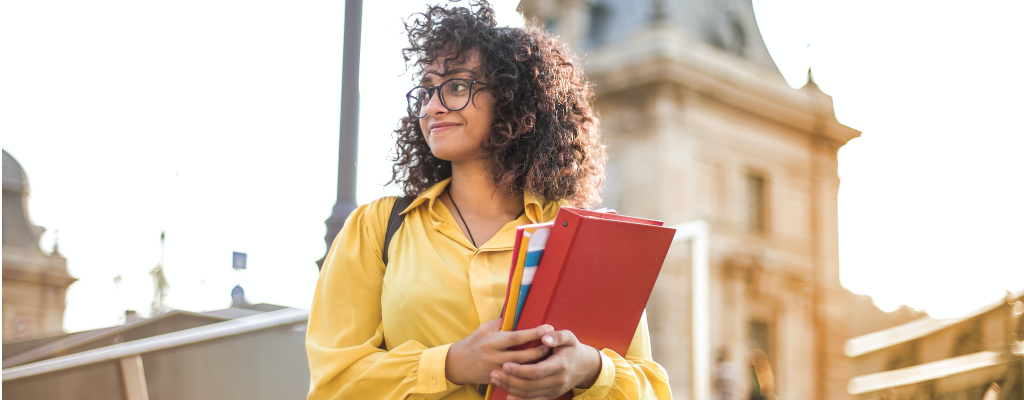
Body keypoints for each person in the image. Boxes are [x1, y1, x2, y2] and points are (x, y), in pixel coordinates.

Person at [305, 2, 671, 399]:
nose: (432, 106)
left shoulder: (584, 238)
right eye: (426, 90)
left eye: (457, 86)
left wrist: (589, 369)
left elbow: (651, 388)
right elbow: (333, 382)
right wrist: (452, 363)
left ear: (511, 98)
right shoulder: (376, 229)